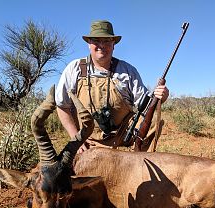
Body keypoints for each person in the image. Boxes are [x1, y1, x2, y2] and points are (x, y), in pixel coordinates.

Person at [55, 20, 169, 152]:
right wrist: (76, 140)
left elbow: (146, 106)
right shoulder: (74, 69)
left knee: (153, 121)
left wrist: (160, 97)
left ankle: (139, 158)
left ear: (113, 44)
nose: (101, 45)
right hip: (86, 139)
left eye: (107, 41)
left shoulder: (127, 70)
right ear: (89, 44)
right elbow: (62, 106)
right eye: (96, 41)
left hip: (121, 136)